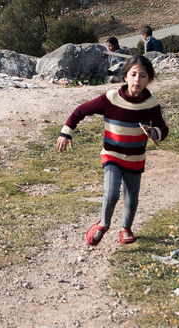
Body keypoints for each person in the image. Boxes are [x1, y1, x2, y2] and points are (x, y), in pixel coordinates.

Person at [56, 55, 168, 246]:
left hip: (135, 159)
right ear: (125, 76)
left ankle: (126, 229)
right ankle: (103, 224)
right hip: (112, 155)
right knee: (112, 194)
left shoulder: (151, 103)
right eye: (133, 74)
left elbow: (163, 129)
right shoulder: (110, 99)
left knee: (131, 200)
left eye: (143, 76)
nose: (137, 80)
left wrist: (154, 132)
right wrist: (66, 132)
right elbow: (81, 110)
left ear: (149, 79)